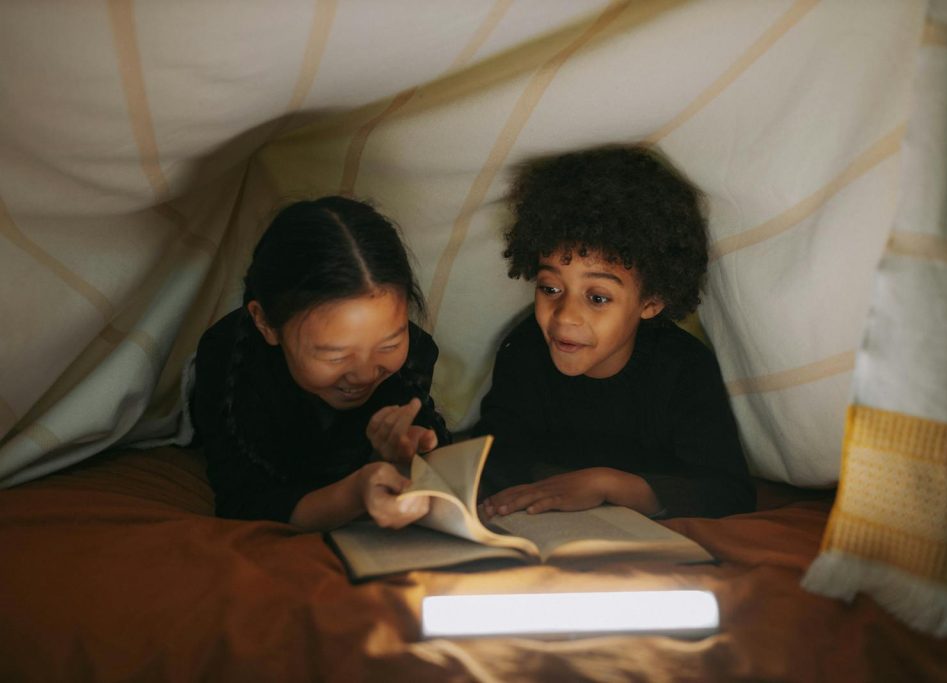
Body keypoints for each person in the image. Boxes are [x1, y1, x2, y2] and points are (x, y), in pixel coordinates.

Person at [474, 144, 754, 520]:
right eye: (550, 288)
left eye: (598, 297)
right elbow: (494, 459)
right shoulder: (523, 352)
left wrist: (608, 484)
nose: (565, 317)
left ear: (652, 301)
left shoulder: (683, 370)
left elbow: (728, 491)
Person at [190, 196, 450, 531]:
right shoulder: (230, 360)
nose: (366, 373)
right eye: (335, 355)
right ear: (266, 323)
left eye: (390, 343)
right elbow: (245, 501)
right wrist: (353, 495)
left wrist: (415, 451)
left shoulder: (414, 354)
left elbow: (425, 438)